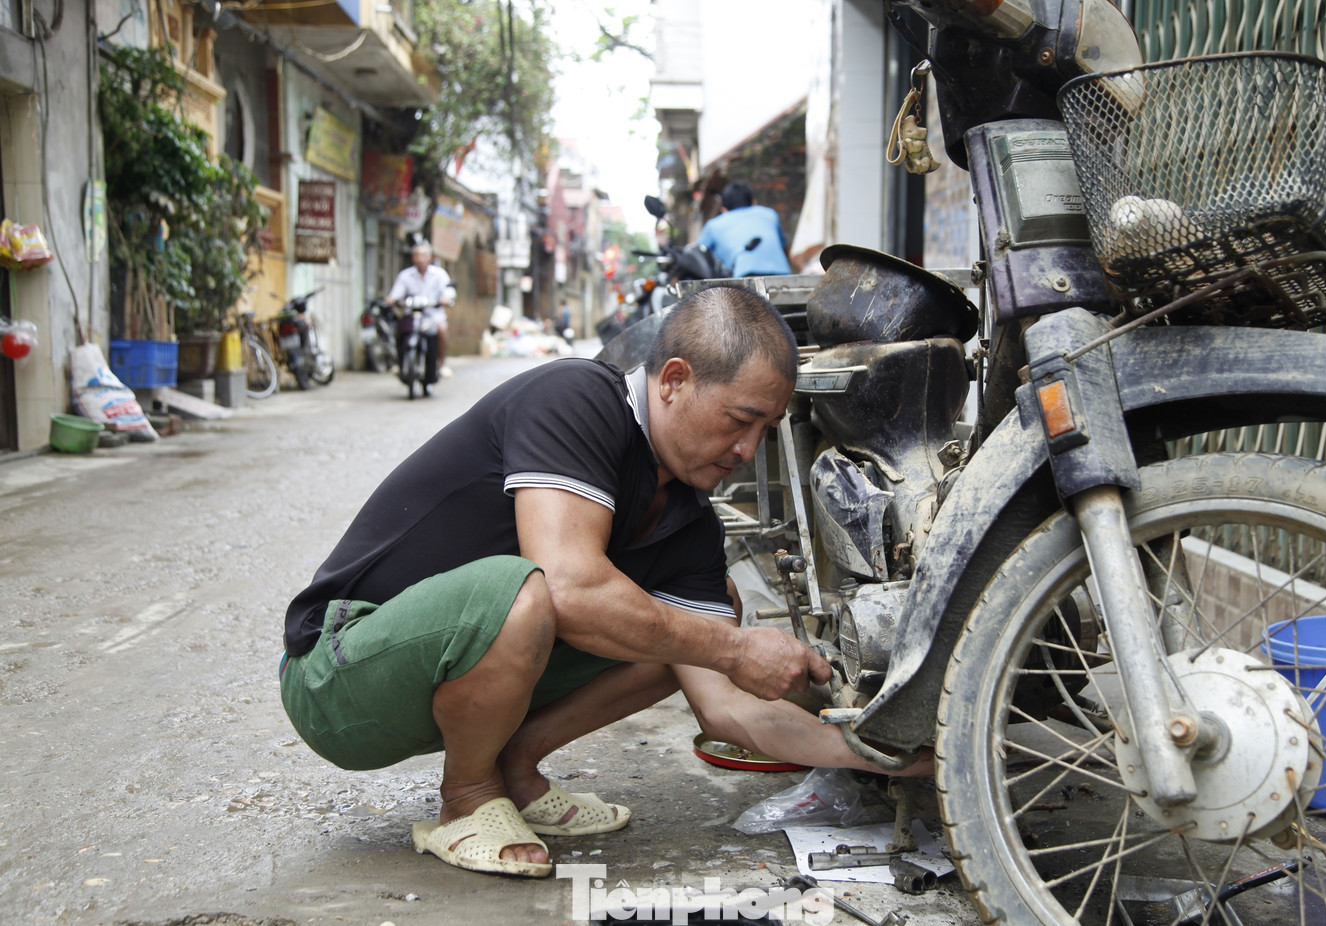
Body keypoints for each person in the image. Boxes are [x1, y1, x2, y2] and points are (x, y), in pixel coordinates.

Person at [279, 286, 929, 880]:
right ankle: (467, 800)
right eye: (740, 419)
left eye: (765, 431)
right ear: (674, 380)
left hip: (443, 675)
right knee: (535, 592)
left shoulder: (690, 528)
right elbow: (567, 588)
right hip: (339, 674)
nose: (747, 449)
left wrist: (893, 757)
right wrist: (734, 648)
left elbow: (728, 708)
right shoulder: (577, 400)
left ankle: (514, 768)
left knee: (691, 630)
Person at [385, 240, 455, 383]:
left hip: (432, 315)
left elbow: (448, 291)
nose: (420, 258)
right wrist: (392, 299)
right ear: (412, 258)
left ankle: (442, 364)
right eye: (417, 255)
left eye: (424, 255)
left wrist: (446, 298)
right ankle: (399, 363)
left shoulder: (439, 274)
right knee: (400, 330)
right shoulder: (405, 275)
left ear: (430, 257)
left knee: (442, 329)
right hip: (412, 315)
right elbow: (396, 293)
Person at [696, 180, 793, 278]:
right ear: (753, 202)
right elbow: (784, 248)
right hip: (782, 272)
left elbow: (698, 256)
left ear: (724, 209)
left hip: (744, 276)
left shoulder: (713, 225)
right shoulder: (770, 214)